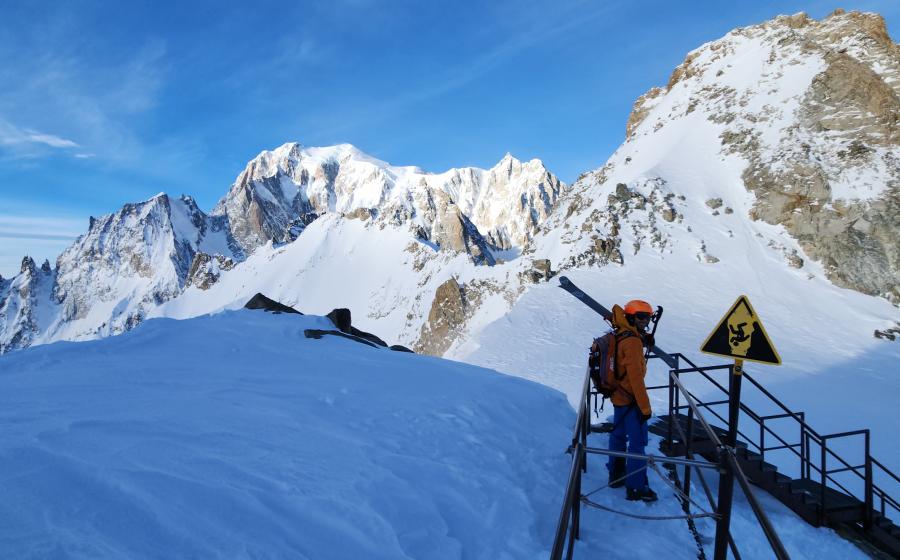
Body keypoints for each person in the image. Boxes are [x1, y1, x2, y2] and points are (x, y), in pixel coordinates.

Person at [607, 299, 658, 502]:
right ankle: (636, 487)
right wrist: (645, 407)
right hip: (631, 399)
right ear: (630, 317)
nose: (645, 321)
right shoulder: (632, 342)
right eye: (641, 317)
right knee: (637, 443)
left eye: (648, 317)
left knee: (618, 435)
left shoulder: (621, 331)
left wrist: (644, 338)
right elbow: (636, 378)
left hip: (618, 396)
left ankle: (615, 476)